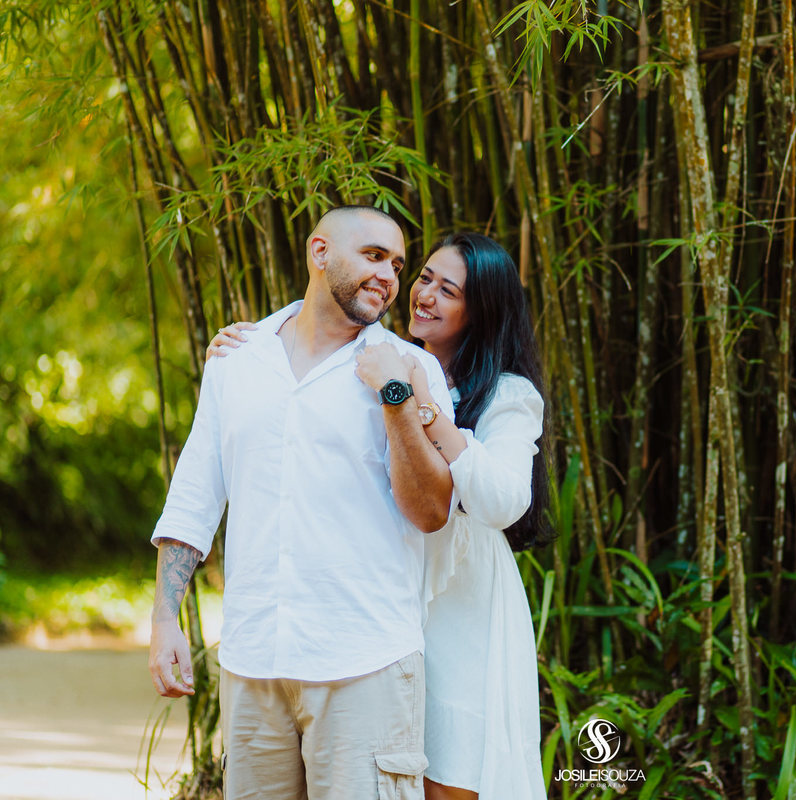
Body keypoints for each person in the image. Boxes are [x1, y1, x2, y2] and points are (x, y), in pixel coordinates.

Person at [208, 232, 550, 800]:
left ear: (481, 310)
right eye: (424, 279)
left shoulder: (505, 394)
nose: (425, 295)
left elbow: (501, 502)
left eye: (449, 290)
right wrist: (255, 345)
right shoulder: (361, 356)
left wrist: (415, 397)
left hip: (459, 605)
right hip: (375, 607)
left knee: (448, 778)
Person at [150, 205, 456, 800]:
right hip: (253, 659)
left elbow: (431, 511)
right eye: (373, 256)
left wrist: (394, 396)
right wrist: (166, 618)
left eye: (397, 264)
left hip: (365, 664)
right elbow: (194, 495)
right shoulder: (238, 357)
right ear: (320, 253)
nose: (390, 277)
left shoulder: (410, 368)